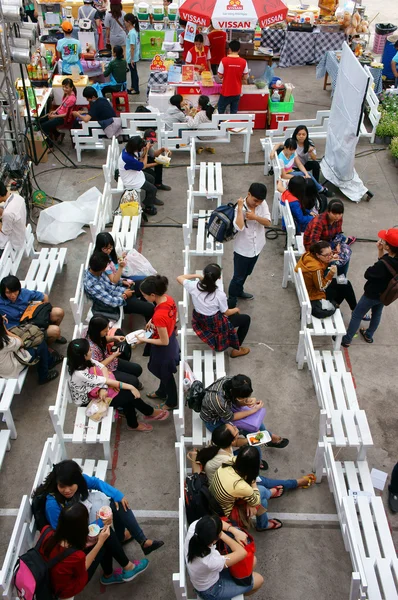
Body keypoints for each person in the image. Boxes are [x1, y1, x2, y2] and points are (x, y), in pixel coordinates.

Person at [33, 458, 164, 555]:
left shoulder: (79, 481)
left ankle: (142, 541)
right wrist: (99, 523)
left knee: (116, 502)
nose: (67, 490)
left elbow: (95, 482)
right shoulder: (53, 505)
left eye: (70, 485)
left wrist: (118, 494)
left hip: (81, 517)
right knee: (107, 528)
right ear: (56, 484)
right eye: (62, 486)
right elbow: (63, 536)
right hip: (73, 537)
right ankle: (121, 561)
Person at [38, 503, 148, 592]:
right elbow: (83, 566)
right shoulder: (76, 555)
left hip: (49, 572)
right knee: (105, 540)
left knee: (103, 536)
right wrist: (100, 542)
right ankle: (123, 570)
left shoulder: (47, 531)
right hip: (68, 586)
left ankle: (115, 572)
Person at [67, 338, 169, 432]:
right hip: (90, 402)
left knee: (126, 395)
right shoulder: (79, 373)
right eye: (89, 350)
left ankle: (137, 421)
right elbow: (105, 379)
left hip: (95, 389)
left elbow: (103, 368)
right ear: (83, 355)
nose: (91, 351)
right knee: (129, 394)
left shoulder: (84, 361)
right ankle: (146, 414)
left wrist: (104, 386)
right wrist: (131, 387)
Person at [194, 424, 315, 492]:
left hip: (226, 469)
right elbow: (242, 476)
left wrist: (252, 439)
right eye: (235, 430)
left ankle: (256, 462)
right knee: (264, 482)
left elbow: (235, 444)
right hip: (227, 483)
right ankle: (295, 483)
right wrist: (252, 477)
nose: (235, 427)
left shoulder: (217, 443)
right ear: (232, 440)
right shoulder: (228, 461)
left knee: (254, 446)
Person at [177, 264, 251, 358]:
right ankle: (237, 349)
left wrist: (197, 276)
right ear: (219, 278)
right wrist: (236, 309)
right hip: (215, 324)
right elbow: (226, 312)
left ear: (204, 274)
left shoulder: (193, 286)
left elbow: (179, 277)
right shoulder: (219, 295)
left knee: (231, 302)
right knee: (246, 319)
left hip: (199, 320)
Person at [185, 515, 264, 599]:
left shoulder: (195, 528)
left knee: (253, 560)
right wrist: (221, 534)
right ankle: (235, 594)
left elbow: (217, 522)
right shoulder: (210, 560)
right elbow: (242, 553)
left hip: (208, 575)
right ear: (214, 540)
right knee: (259, 579)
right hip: (212, 590)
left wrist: (233, 530)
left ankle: (236, 590)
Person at [342, 229, 398, 347]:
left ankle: (347, 339)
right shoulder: (390, 260)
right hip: (385, 295)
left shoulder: (382, 264)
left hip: (372, 294)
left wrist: (379, 257)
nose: (382, 241)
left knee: (357, 314)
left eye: (384, 241)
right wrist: (380, 251)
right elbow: (386, 265)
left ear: (388, 247)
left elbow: (368, 274)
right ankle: (369, 335)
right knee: (377, 313)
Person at [200, 373, 288, 449]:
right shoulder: (219, 402)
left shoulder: (232, 381)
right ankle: (263, 440)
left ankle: (266, 438)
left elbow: (235, 403)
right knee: (247, 427)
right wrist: (253, 410)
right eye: (244, 397)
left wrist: (247, 402)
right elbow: (231, 417)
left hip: (225, 410)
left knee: (254, 423)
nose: (247, 398)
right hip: (214, 420)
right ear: (236, 396)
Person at [209, 446, 284, 531]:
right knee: (261, 493)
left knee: (262, 499)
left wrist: (250, 501)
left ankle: (264, 523)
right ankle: (269, 495)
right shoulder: (241, 486)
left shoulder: (230, 462)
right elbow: (255, 501)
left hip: (216, 501)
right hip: (226, 512)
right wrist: (251, 501)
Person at [134, 275, 180, 410]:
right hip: (170, 338)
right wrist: (151, 320)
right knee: (160, 371)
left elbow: (163, 341)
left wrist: (143, 339)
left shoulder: (160, 316)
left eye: (144, 295)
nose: (143, 297)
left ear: (153, 295)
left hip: (164, 348)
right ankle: (161, 392)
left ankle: (171, 402)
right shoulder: (168, 299)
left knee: (164, 374)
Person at [227, 183, 271, 308]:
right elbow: (239, 227)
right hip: (242, 249)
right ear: (248, 194)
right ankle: (232, 299)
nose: (257, 204)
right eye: (255, 200)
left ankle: (239, 291)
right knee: (238, 277)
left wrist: (255, 217)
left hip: (257, 247)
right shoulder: (239, 208)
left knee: (247, 273)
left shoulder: (262, 204)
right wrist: (241, 209)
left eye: (260, 201)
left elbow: (268, 222)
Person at [83, 252, 154, 323]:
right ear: (102, 269)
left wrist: (123, 281)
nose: (107, 267)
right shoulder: (92, 285)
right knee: (150, 309)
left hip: (120, 289)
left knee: (148, 284)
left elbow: (112, 281)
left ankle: (148, 304)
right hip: (119, 303)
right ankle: (152, 328)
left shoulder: (96, 269)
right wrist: (125, 295)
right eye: (106, 266)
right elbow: (111, 302)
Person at [295, 241, 358, 319]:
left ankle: (354, 309)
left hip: (311, 286)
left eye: (331, 253)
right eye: (326, 255)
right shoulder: (316, 269)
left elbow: (320, 265)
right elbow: (321, 287)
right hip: (315, 294)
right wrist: (331, 273)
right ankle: (352, 310)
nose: (330, 256)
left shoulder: (309, 255)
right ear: (318, 255)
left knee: (345, 282)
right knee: (343, 286)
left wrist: (329, 259)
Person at [0, 275, 66, 343]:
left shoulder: (24, 293)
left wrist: (45, 313)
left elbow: (44, 296)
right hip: (19, 328)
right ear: (3, 292)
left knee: (59, 312)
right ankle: (45, 344)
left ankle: (50, 337)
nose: (13, 295)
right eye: (8, 292)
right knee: (55, 330)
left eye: (15, 291)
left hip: (31, 318)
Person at [0, 314, 60, 384]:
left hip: (3, 364)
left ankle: (50, 360)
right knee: (40, 343)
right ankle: (44, 375)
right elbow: (20, 342)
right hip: (10, 370)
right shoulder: (3, 342)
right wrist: (5, 331)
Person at [86, 315, 143, 389]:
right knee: (134, 381)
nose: (107, 332)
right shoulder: (91, 349)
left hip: (111, 361)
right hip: (105, 370)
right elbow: (97, 366)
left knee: (137, 369)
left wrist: (114, 338)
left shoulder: (93, 334)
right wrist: (113, 356)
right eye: (105, 331)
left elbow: (103, 339)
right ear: (98, 331)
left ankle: (130, 380)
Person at [303, 198, 352, 276]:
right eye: (334, 213)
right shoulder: (319, 222)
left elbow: (338, 233)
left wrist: (337, 245)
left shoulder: (338, 219)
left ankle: (342, 278)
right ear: (328, 212)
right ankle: (323, 279)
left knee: (346, 254)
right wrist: (330, 253)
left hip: (329, 240)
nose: (337, 216)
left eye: (340, 214)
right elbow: (314, 243)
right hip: (315, 245)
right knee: (332, 260)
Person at [118, 136, 162, 216]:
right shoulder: (127, 159)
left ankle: (151, 198)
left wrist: (145, 151)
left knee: (151, 178)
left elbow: (140, 158)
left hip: (133, 173)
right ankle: (148, 206)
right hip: (131, 180)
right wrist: (147, 150)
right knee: (153, 189)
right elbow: (143, 165)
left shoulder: (128, 150)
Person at [40, 78, 76, 148]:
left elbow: (66, 114)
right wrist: (55, 111)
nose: (64, 89)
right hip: (58, 114)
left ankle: (50, 146)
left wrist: (54, 116)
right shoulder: (67, 94)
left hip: (62, 118)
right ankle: (57, 134)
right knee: (41, 121)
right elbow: (62, 105)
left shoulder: (72, 99)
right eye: (63, 87)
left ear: (71, 88)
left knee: (43, 126)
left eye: (66, 87)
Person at [217, 40, 248, 115]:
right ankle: (231, 126)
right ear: (239, 50)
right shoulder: (244, 62)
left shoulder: (224, 60)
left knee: (220, 110)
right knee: (233, 113)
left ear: (229, 49)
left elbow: (220, 76)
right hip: (237, 91)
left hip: (226, 91)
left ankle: (220, 126)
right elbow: (245, 77)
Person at [0, 181, 26, 251]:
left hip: (14, 244)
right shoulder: (18, 197)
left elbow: (5, 231)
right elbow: (12, 215)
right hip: (20, 234)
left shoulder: (7, 213)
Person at [124, 13, 140, 95]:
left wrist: (132, 59)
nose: (124, 23)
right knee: (132, 72)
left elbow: (132, 47)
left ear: (129, 22)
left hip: (132, 57)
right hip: (131, 56)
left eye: (125, 21)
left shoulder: (132, 33)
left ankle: (136, 89)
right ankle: (133, 86)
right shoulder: (133, 31)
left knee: (134, 73)